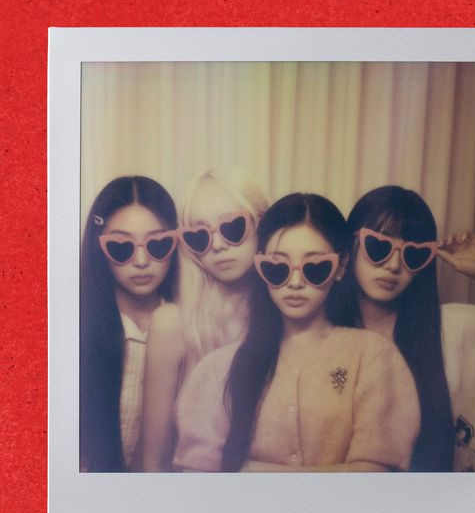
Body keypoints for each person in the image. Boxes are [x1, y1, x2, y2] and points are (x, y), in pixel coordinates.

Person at [174, 193, 420, 473]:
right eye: (277, 268)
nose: (294, 282)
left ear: (340, 267)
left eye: (315, 268)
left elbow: (372, 478)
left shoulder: (374, 357)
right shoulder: (217, 369)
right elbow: (198, 482)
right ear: (261, 267)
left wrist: (246, 471)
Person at [342, 185, 475, 472]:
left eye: (414, 254)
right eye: (378, 246)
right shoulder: (318, 332)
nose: (393, 265)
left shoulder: (454, 330)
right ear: (350, 245)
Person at [140, 168, 269, 471]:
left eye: (232, 227)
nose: (218, 245)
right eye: (199, 236)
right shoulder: (172, 323)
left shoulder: (289, 318)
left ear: (261, 222)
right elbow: (153, 462)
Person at [80, 176, 178, 472]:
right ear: (99, 248)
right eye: (122, 247)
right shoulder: (74, 328)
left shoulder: (190, 328)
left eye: (158, 244)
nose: (141, 260)